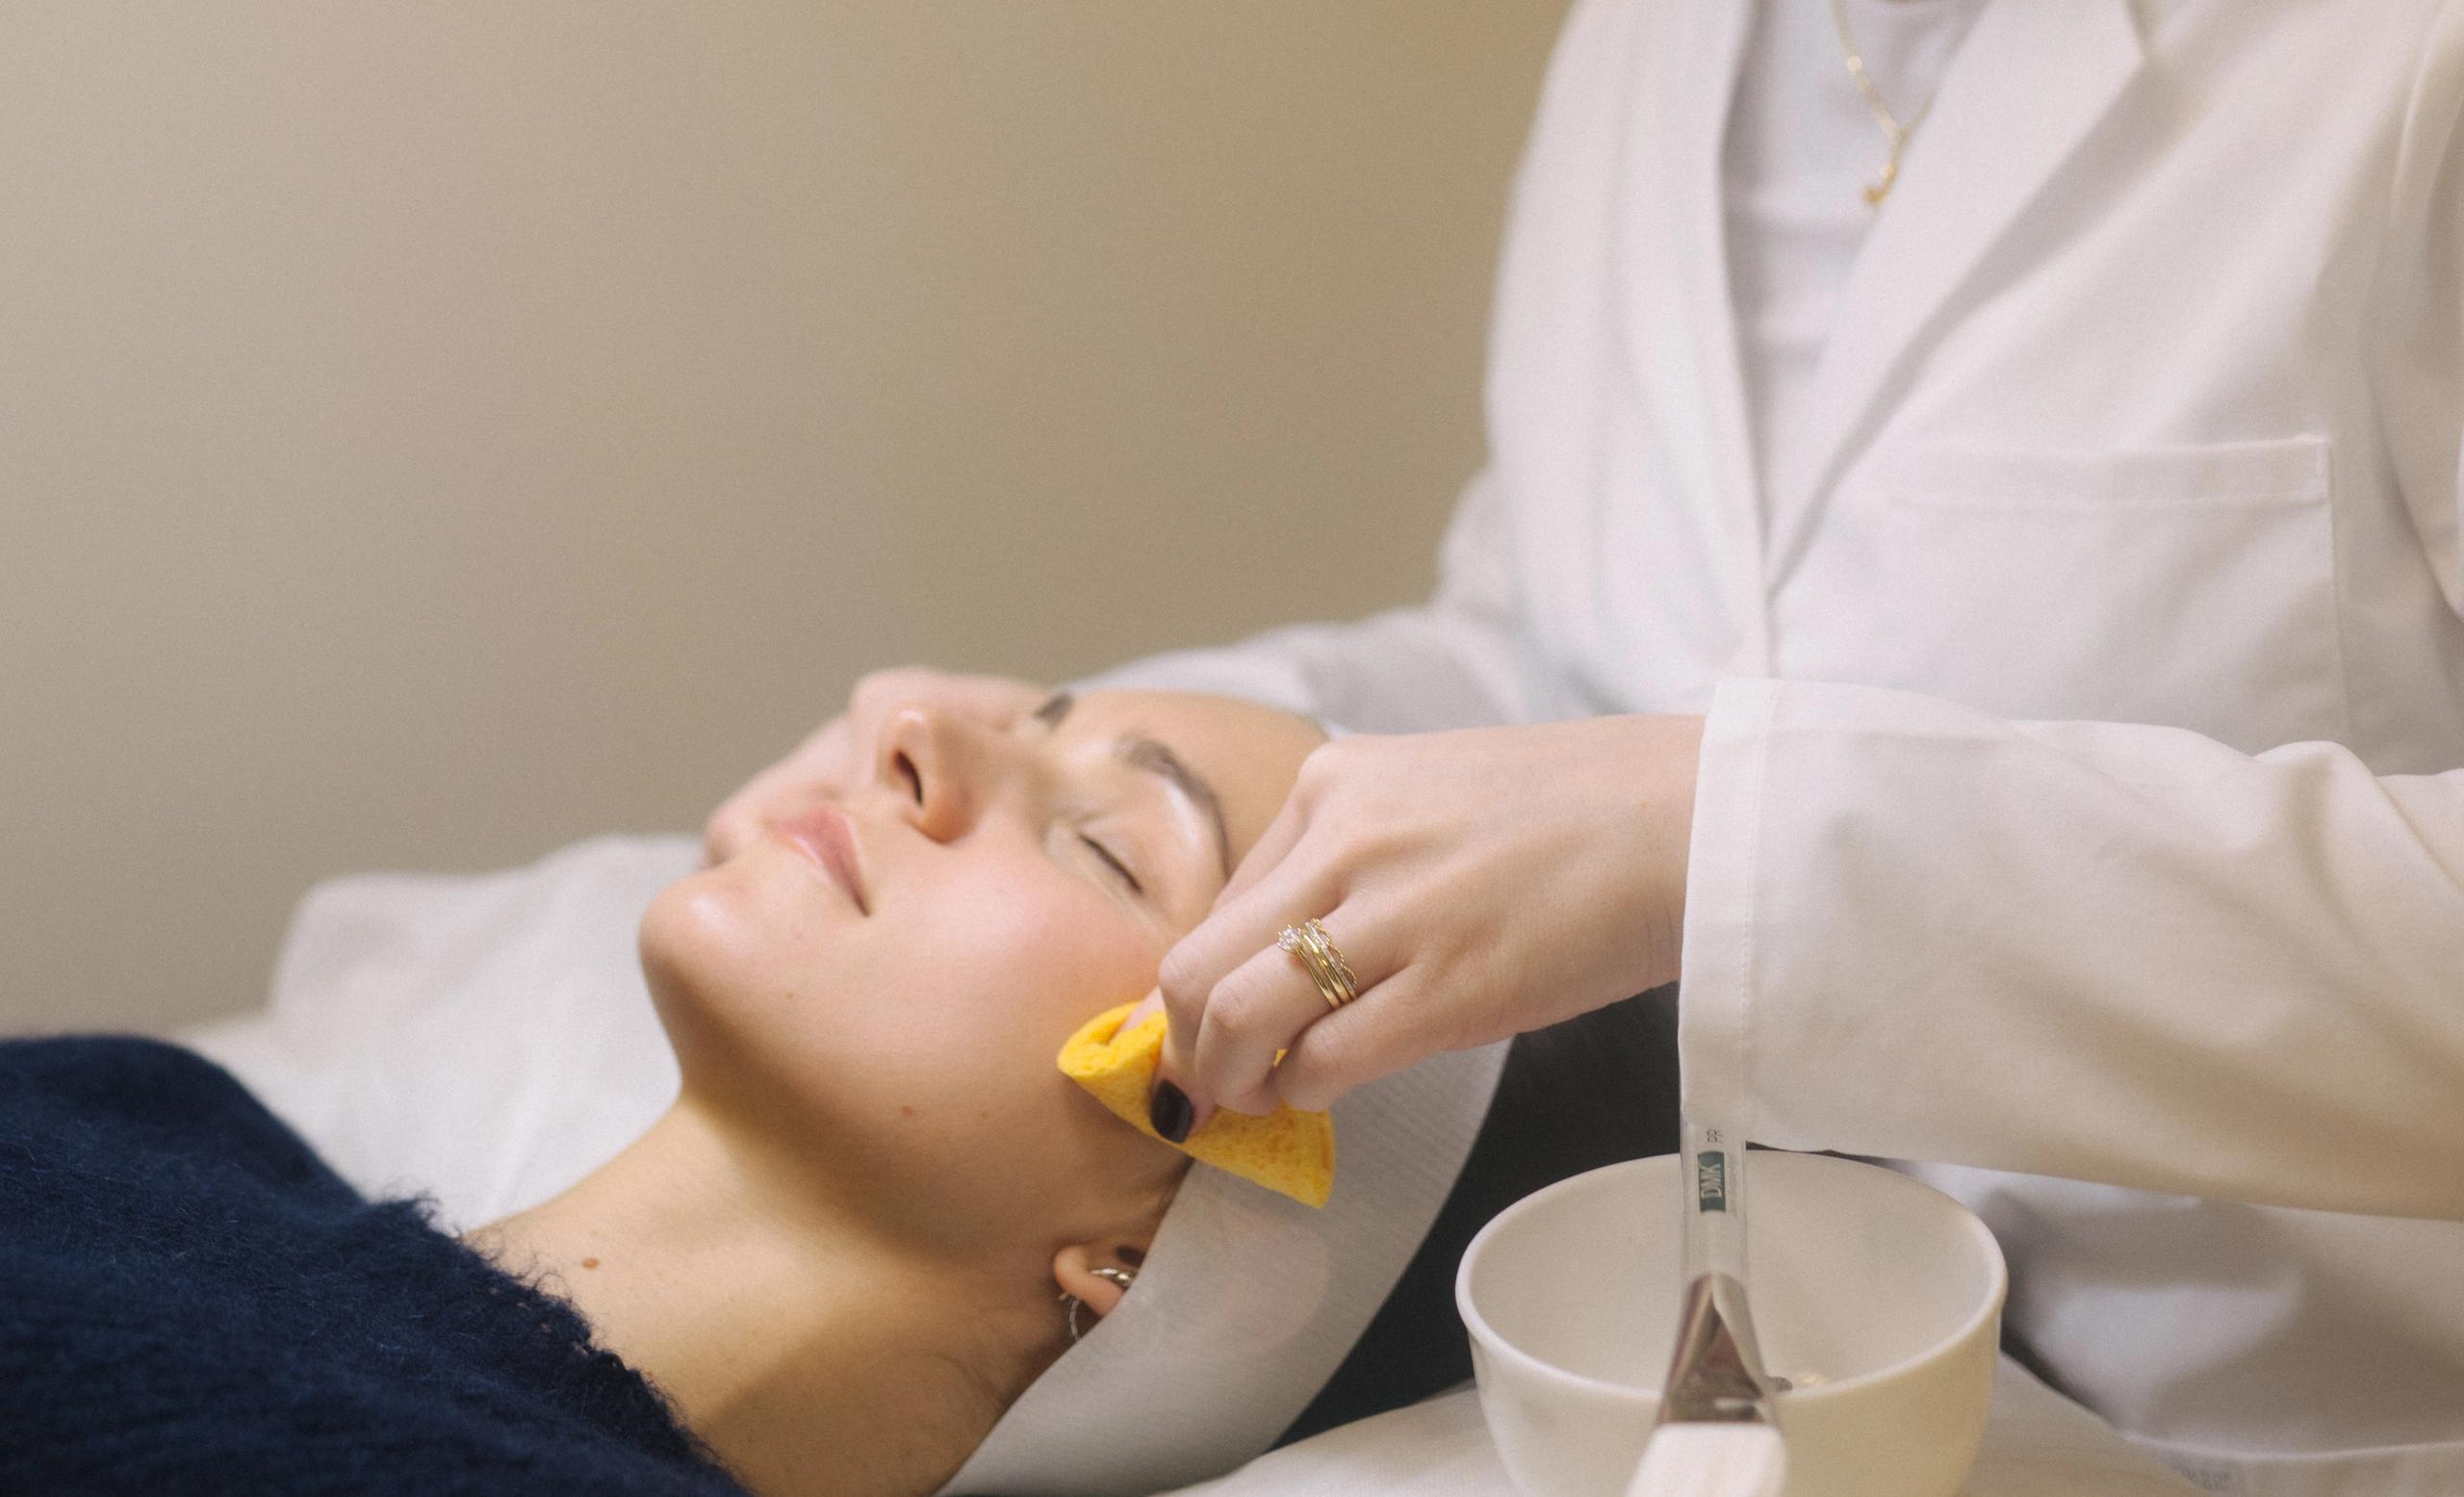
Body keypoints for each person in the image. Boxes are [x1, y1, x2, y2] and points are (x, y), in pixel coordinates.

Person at [710, 3, 2464, 1492]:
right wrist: (1048, 742)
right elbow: (1553, 656)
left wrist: (1726, 843)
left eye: (1106, 842)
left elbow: (1667, 792)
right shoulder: (1660, 41)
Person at [0, 687, 1336, 1497]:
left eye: (1109, 849)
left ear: (1152, 1264)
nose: (912, 732)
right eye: (1032, 721)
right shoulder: (146, 1116)